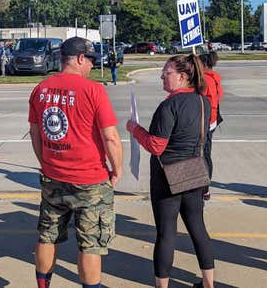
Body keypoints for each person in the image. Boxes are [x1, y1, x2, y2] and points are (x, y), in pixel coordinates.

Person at [28, 37, 123, 288]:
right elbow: (111, 137)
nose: (92, 66)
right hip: (90, 179)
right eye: (90, 60)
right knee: (90, 241)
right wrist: (117, 169)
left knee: (47, 235)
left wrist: (45, 161)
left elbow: (36, 132)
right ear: (80, 58)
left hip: (53, 176)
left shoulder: (41, 89)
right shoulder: (93, 90)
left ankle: (42, 284)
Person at [126, 54, 215, 288]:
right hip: (194, 171)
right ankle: (208, 283)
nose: (162, 76)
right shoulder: (204, 102)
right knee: (198, 229)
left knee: (166, 234)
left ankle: (162, 285)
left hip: (167, 175)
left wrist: (135, 129)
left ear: (182, 76)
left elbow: (156, 145)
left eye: (166, 73)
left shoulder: (169, 105)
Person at [198, 52, 223, 201]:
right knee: (204, 154)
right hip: (208, 121)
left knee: (204, 155)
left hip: (205, 122)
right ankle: (203, 187)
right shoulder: (213, 78)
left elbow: (211, 103)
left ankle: (205, 188)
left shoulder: (206, 79)